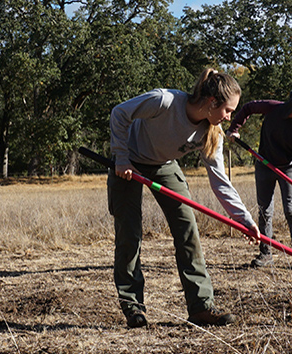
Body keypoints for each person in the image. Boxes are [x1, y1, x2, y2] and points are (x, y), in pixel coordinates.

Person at [107, 68, 258, 329]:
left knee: (187, 229)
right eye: (228, 110)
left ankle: (201, 307)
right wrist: (120, 156)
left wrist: (243, 219)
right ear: (212, 103)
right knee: (129, 232)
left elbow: (220, 180)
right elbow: (120, 113)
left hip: (164, 165)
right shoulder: (164, 101)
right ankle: (133, 308)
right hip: (129, 161)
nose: (229, 116)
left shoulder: (212, 133)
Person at [226, 87, 292, 271]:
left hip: (288, 168)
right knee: (264, 211)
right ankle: (265, 253)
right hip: (264, 164)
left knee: (291, 211)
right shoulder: (273, 108)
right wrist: (234, 128)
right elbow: (248, 108)